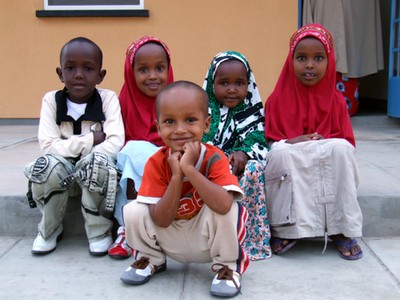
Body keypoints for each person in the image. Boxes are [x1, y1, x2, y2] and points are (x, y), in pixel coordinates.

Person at [120, 81, 249, 298]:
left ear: (206, 124)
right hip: (169, 235)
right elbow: (160, 220)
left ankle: (227, 267)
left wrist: (189, 169)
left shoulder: (214, 157)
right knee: (134, 209)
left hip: (205, 238)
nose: (180, 130)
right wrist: (177, 176)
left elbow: (223, 205)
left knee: (232, 208)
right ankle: (151, 259)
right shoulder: (156, 162)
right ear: (158, 127)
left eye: (190, 120)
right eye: (170, 121)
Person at [264, 24, 363, 260]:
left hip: (325, 154)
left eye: (318, 58)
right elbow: (271, 142)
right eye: (301, 58)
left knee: (340, 150)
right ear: (291, 60)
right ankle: (288, 229)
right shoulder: (277, 99)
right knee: (281, 153)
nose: (310, 65)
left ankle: (342, 229)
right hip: (293, 153)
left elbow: (347, 141)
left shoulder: (337, 100)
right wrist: (292, 141)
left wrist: (321, 143)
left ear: (329, 62)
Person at [24, 37, 124, 256]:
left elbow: (115, 143)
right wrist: (90, 139)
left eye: (88, 68)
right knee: (46, 166)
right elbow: (49, 147)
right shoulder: (52, 100)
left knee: (99, 163)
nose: (79, 74)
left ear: (100, 75)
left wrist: (84, 160)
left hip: (93, 179)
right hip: (62, 176)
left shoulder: (107, 99)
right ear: (60, 73)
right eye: (70, 68)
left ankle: (99, 231)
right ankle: (49, 229)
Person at [108, 36, 174, 259]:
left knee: (135, 152)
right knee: (130, 153)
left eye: (160, 68)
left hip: (170, 165)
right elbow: (116, 141)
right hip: (133, 168)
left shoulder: (177, 101)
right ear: (130, 71)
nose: (153, 76)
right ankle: (129, 230)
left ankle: (129, 230)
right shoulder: (122, 103)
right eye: (143, 69)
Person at [202, 51, 271, 260]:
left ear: (248, 85)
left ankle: (249, 242)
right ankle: (211, 241)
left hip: (241, 174)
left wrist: (245, 153)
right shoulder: (203, 112)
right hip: (213, 172)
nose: (232, 90)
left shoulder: (253, 110)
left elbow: (261, 143)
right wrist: (218, 159)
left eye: (239, 83)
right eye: (224, 83)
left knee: (254, 169)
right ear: (212, 84)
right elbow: (199, 143)